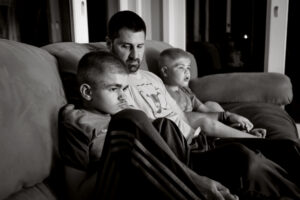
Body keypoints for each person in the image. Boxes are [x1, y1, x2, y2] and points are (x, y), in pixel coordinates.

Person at [59, 50, 300, 200]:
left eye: (124, 89)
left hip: (170, 171)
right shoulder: (77, 121)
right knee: (130, 120)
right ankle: (194, 184)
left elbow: (171, 135)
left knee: (241, 157)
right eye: (114, 90)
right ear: (87, 91)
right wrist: (125, 155)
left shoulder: (118, 109)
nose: (123, 97)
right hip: (127, 185)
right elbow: (76, 193)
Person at [158, 47, 266, 139]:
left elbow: (205, 110)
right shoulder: (162, 91)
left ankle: (238, 131)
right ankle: (252, 139)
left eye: (188, 68)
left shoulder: (185, 90)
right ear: (165, 71)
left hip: (200, 122)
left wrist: (228, 117)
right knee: (205, 121)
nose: (187, 72)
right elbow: (184, 117)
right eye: (181, 68)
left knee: (211, 104)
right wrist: (226, 116)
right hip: (187, 129)